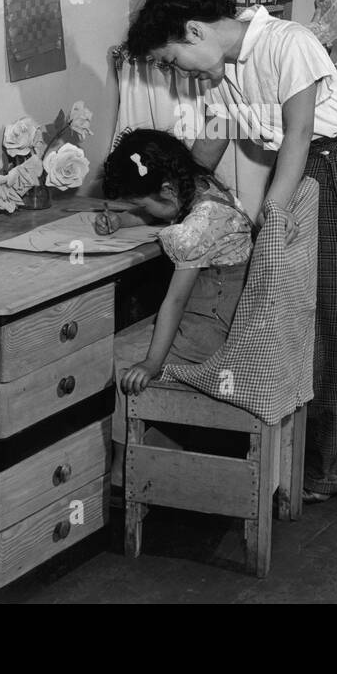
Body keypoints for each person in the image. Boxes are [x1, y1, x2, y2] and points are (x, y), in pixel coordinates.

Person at [125, 0, 337, 503]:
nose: (181, 76)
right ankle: (291, 463)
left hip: (335, 175)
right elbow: (205, 150)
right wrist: (143, 191)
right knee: (291, 323)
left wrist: (275, 213)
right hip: (295, 180)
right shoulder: (221, 73)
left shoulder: (288, 42)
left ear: (195, 32)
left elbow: (299, 132)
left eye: (173, 61)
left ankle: (332, 471)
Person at [95, 129, 254, 482]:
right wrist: (123, 219)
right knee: (124, 342)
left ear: (166, 189)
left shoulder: (197, 226)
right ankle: (148, 447)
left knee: (118, 359)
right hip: (221, 316)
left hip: (210, 333)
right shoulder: (202, 189)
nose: (142, 210)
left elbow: (176, 300)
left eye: (142, 202)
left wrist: (152, 363)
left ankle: (122, 474)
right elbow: (163, 213)